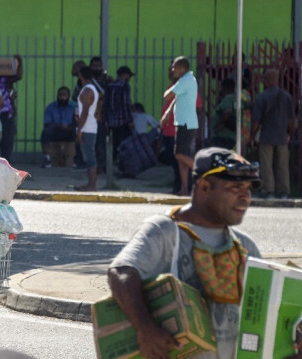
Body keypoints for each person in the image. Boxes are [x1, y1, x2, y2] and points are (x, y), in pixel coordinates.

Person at [107, 147, 262, 359]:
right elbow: (121, 273)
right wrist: (146, 329)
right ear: (204, 186)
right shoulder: (165, 231)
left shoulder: (245, 246)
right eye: (235, 187)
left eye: (248, 188)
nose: (246, 197)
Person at [250, 69, 294, 200]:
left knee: (266, 165)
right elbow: (292, 120)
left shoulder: (262, 97)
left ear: (267, 80)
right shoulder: (287, 97)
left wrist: (252, 136)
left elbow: (256, 121)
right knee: (282, 165)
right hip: (282, 136)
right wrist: (289, 133)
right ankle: (284, 191)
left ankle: (269, 191)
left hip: (266, 136)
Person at [162, 56, 199, 196]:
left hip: (186, 124)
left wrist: (172, 88)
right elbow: (176, 98)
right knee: (181, 157)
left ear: (182, 68)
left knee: (179, 155)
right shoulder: (188, 80)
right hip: (183, 122)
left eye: (175, 67)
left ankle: (202, 171)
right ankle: (184, 188)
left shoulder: (185, 81)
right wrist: (167, 113)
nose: (172, 70)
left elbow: (167, 96)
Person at [74, 66, 99, 192]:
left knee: (90, 157)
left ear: (81, 76)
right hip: (88, 127)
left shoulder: (87, 91)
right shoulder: (89, 89)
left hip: (87, 128)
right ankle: (90, 184)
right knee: (88, 157)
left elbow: (85, 112)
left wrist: (79, 130)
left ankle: (92, 185)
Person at [102, 66, 134, 159]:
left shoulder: (110, 85)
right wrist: (130, 120)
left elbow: (106, 103)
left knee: (115, 142)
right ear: (125, 75)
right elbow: (125, 104)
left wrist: (106, 119)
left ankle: (112, 161)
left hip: (112, 121)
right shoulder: (124, 85)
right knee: (125, 143)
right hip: (123, 120)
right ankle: (123, 162)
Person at [40, 86, 76, 168]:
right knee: (45, 132)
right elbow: (47, 123)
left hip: (69, 131)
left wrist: (69, 127)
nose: (62, 97)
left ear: (68, 96)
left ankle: (77, 159)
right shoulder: (51, 107)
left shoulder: (73, 107)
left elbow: (77, 121)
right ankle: (47, 158)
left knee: (78, 132)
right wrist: (61, 126)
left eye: (65, 95)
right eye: (60, 95)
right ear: (57, 95)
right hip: (56, 131)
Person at [0, 55, 22, 163]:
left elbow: (18, 76)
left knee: (7, 142)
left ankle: (6, 165)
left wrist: (19, 62)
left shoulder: (6, 80)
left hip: (6, 114)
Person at [210, 78, 238, 150]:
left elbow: (227, 111)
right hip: (232, 136)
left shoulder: (228, 98)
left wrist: (220, 124)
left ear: (223, 87)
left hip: (223, 137)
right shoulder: (237, 99)